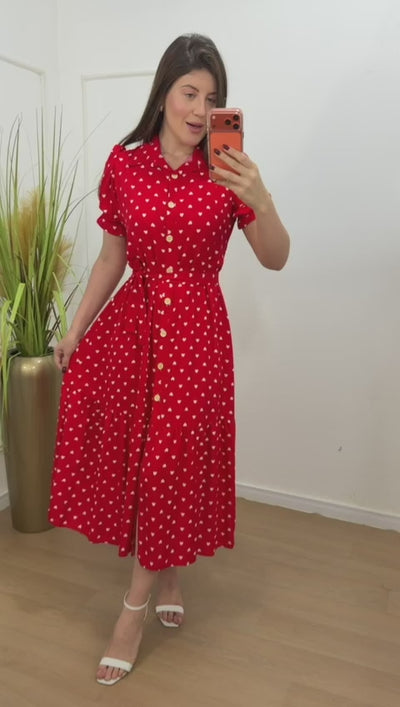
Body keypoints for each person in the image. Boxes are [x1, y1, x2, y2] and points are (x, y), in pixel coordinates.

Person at [49, 33, 290, 686]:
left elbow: (276, 258)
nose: (200, 109)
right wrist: (76, 329)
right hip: (133, 333)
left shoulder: (229, 171)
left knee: (167, 463)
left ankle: (131, 612)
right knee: (143, 461)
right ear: (163, 94)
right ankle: (170, 572)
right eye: (190, 93)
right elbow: (111, 258)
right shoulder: (124, 165)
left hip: (196, 340)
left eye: (213, 98)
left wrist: (261, 198)